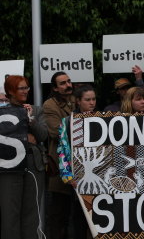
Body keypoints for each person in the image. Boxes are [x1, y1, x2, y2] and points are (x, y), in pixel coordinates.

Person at [0, 75, 48, 239]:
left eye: (27, 87)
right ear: (10, 91)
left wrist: (31, 121)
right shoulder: (2, 112)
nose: (26, 91)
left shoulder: (36, 109)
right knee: (9, 212)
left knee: (31, 212)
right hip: (9, 167)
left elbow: (43, 136)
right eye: (21, 88)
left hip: (33, 164)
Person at [57, 84, 95, 238]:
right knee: (79, 218)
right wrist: (68, 176)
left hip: (100, 176)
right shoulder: (68, 121)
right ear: (78, 101)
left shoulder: (104, 119)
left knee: (99, 217)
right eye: (87, 100)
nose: (92, 102)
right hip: (78, 178)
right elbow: (62, 150)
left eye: (93, 99)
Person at [42, 71, 75, 239]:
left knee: (76, 215)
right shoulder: (49, 105)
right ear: (55, 88)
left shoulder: (76, 100)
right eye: (62, 83)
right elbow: (56, 132)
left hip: (79, 164)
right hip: (61, 166)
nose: (67, 85)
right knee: (58, 215)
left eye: (69, 81)